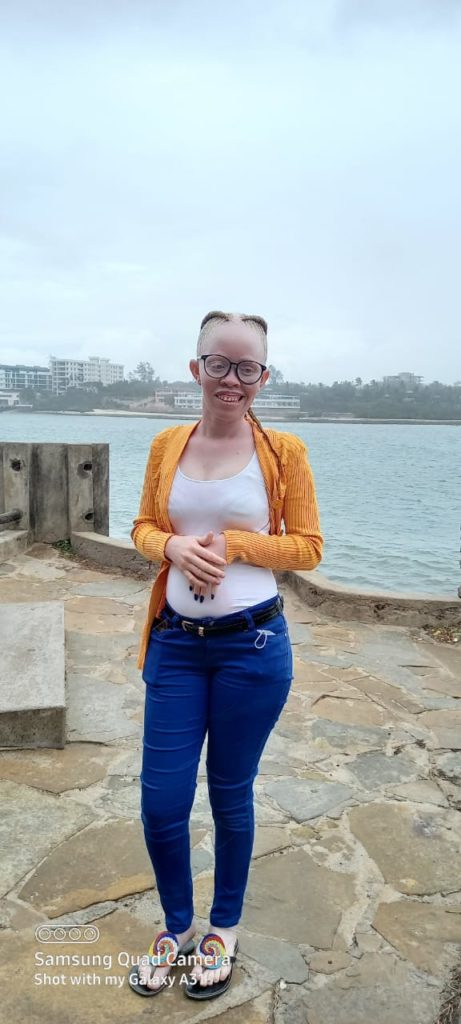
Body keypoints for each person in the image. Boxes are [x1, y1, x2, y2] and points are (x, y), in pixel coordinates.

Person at [128, 310, 323, 1001]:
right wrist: (172, 547)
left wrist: (236, 544)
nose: (232, 379)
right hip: (178, 646)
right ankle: (176, 925)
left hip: (253, 646)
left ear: (262, 377)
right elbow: (144, 524)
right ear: (196, 368)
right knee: (161, 802)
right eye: (219, 363)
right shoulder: (166, 444)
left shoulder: (283, 453)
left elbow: (307, 547)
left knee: (229, 794)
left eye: (247, 367)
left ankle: (223, 926)